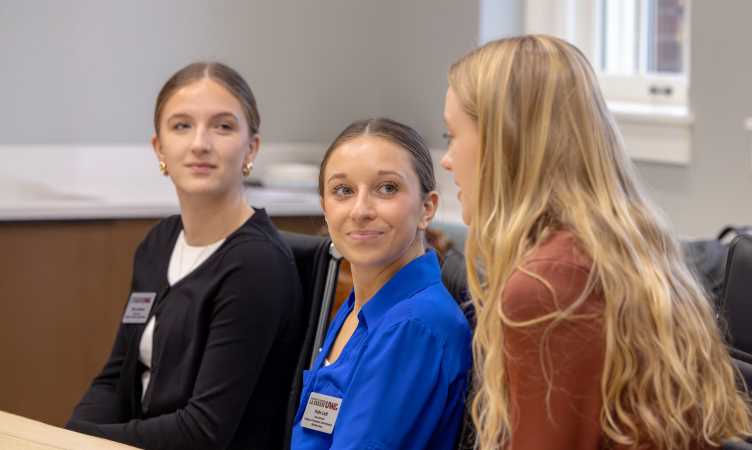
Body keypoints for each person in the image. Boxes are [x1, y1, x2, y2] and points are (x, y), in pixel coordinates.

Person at [440, 35, 752, 450]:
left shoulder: (549, 285)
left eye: (452, 136)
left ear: (504, 144)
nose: (446, 159)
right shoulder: (627, 245)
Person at [66, 62, 304, 450]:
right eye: (181, 126)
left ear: (251, 148)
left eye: (223, 126)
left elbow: (203, 432)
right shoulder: (158, 243)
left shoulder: (256, 265)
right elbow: (115, 377)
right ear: (159, 147)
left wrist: (87, 442)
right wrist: (68, 435)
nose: (200, 143)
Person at [290, 118, 472, 450]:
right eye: (343, 191)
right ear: (325, 209)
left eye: (387, 188)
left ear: (427, 208)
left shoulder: (414, 327)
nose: (360, 210)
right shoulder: (359, 306)